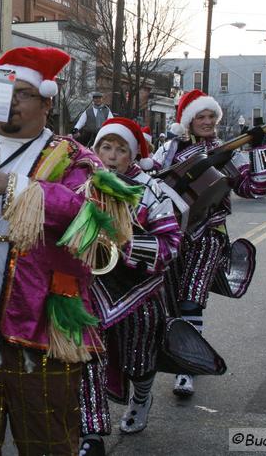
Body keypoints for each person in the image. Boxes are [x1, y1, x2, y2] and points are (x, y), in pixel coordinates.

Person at [0, 47, 134, 455]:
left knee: (48, 446)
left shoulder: (76, 158)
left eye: (22, 93)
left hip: (41, 330)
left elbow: (94, 218)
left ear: (46, 102)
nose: (11, 102)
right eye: (6, 92)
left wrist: (15, 187)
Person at [154, 89, 266, 398]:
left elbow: (254, 188)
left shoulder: (229, 152)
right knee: (169, 304)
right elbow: (150, 182)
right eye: (201, 116)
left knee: (191, 301)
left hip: (208, 236)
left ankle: (188, 367)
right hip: (171, 235)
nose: (207, 121)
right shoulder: (169, 151)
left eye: (212, 116)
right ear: (188, 120)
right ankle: (176, 355)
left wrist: (261, 147)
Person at [77, 118, 182, 453]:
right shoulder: (83, 181)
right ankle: (91, 434)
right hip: (90, 288)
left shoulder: (151, 189)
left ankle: (141, 396)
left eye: (120, 150)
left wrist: (124, 244)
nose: (111, 156)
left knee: (138, 360)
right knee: (88, 359)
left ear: (132, 156)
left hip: (137, 292)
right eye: (105, 147)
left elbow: (171, 242)